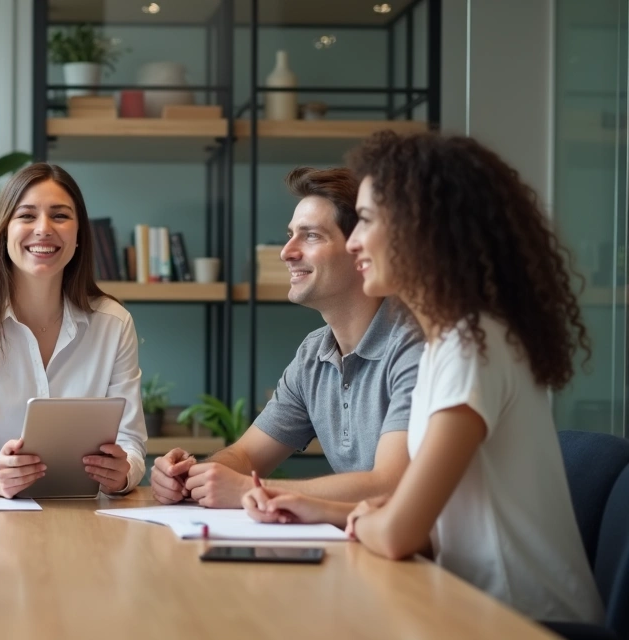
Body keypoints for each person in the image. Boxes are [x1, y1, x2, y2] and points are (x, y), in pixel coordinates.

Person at [242, 131, 601, 624]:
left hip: (524, 623)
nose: (354, 241)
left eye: (366, 221)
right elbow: (435, 529)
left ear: (424, 229)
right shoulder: (446, 346)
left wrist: (372, 518)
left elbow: (399, 534)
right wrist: (319, 508)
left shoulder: (473, 346)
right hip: (464, 606)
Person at [150, 167, 422, 508]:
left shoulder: (413, 344)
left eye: (310, 236)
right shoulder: (313, 354)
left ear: (361, 248)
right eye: (290, 234)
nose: (286, 252)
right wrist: (193, 477)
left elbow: (392, 486)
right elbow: (246, 455)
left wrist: (254, 491)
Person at [0, 163, 147, 498]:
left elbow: (131, 442)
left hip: (85, 516)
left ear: (79, 234)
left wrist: (124, 473)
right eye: (26, 216)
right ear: (4, 231)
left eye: (60, 216)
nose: (43, 229)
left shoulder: (113, 323)